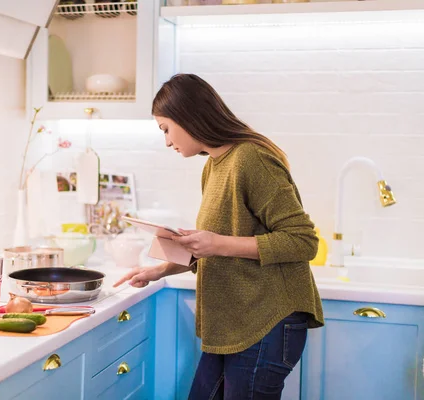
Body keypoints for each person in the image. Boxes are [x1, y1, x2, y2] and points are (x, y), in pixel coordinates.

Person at [113, 74, 324, 400]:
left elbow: (302, 241)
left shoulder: (251, 159)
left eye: (166, 129)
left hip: (267, 321)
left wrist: (218, 242)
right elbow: (218, 247)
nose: (167, 141)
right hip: (237, 323)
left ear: (187, 116)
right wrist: (160, 269)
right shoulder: (213, 166)